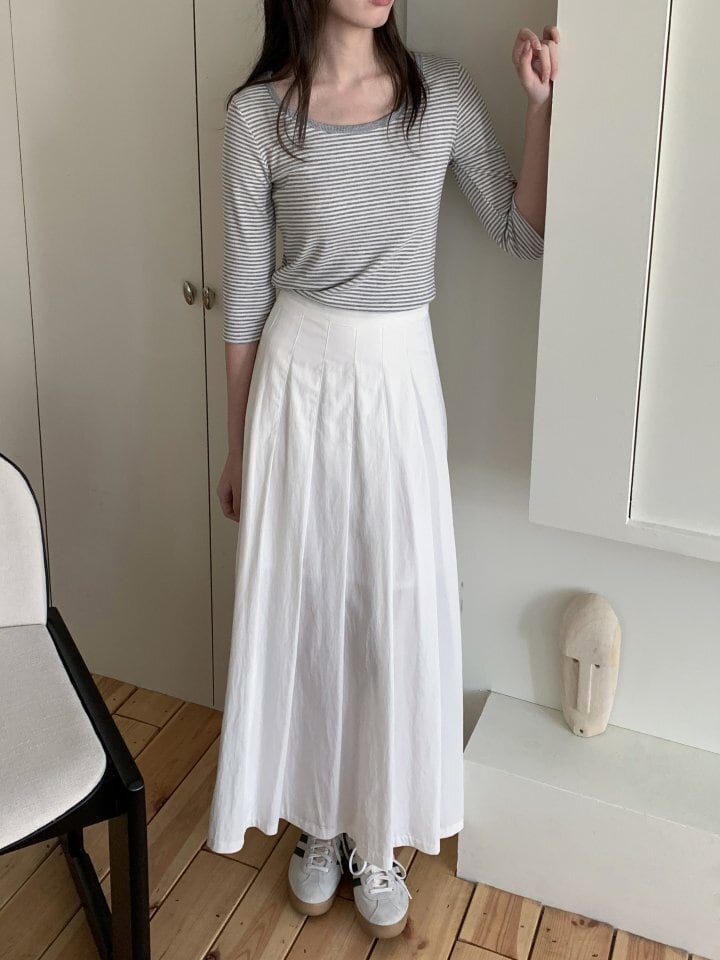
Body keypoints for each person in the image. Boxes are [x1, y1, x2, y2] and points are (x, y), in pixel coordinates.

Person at [206, 0, 559, 941]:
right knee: (310, 599)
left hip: (399, 381)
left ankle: (377, 830)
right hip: (296, 381)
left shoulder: (439, 91)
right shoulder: (257, 115)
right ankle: (318, 820)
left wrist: (539, 108)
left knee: (390, 603)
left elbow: (522, 232)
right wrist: (238, 445)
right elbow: (244, 293)